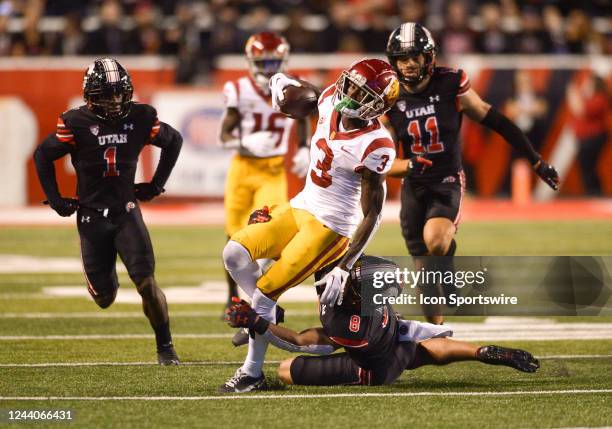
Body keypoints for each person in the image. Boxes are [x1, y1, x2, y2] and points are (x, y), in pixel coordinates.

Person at [219, 58, 400, 392]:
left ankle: (252, 373)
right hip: (301, 204)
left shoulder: (376, 143)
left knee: (264, 293)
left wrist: (345, 266)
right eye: (349, 84)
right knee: (234, 254)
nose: (348, 94)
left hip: (330, 226)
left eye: (359, 93)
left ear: (376, 106)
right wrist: (280, 82)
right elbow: (302, 94)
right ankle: (267, 313)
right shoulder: (332, 97)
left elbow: (373, 213)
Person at [384, 23, 560, 324]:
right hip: (413, 183)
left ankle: (448, 267)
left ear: (429, 58)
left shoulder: (451, 83)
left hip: (446, 179)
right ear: (394, 62)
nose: (410, 64)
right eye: (403, 58)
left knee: (436, 242)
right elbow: (383, 157)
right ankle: (435, 334)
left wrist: (535, 161)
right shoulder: (389, 95)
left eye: (415, 56)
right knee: (424, 273)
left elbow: (497, 121)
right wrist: (407, 166)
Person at [33, 57, 182, 365]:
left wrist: (156, 184)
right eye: (106, 94)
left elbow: (173, 140)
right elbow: (43, 155)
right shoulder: (74, 121)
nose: (114, 100)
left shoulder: (142, 116)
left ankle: (165, 347)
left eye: (118, 93)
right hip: (90, 216)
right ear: (91, 95)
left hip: (126, 211)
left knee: (146, 282)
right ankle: (102, 278)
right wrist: (56, 199)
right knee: (105, 298)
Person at [225, 255, 540, 386]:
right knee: (423, 347)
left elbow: (300, 340)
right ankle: (482, 351)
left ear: (356, 298)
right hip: (400, 332)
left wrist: (258, 322)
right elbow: (315, 252)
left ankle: (479, 352)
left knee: (285, 371)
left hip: (378, 364)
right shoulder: (363, 294)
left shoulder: (348, 325)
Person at [219, 31, 311, 312]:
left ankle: (262, 297)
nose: (270, 69)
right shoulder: (238, 89)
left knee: (265, 230)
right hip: (243, 168)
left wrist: (305, 147)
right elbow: (224, 136)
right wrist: (244, 142)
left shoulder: (293, 86)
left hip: (272, 169)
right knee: (233, 236)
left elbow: (303, 117)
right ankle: (232, 296)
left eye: (275, 63)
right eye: (264, 63)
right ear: (251, 61)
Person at [567, 73, 610, 196]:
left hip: (592, 139)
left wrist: (573, 93)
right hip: (587, 139)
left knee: (588, 168)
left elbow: (580, 110)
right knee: (587, 168)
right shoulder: (590, 98)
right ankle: (593, 192)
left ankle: (594, 193)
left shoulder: (599, 98)